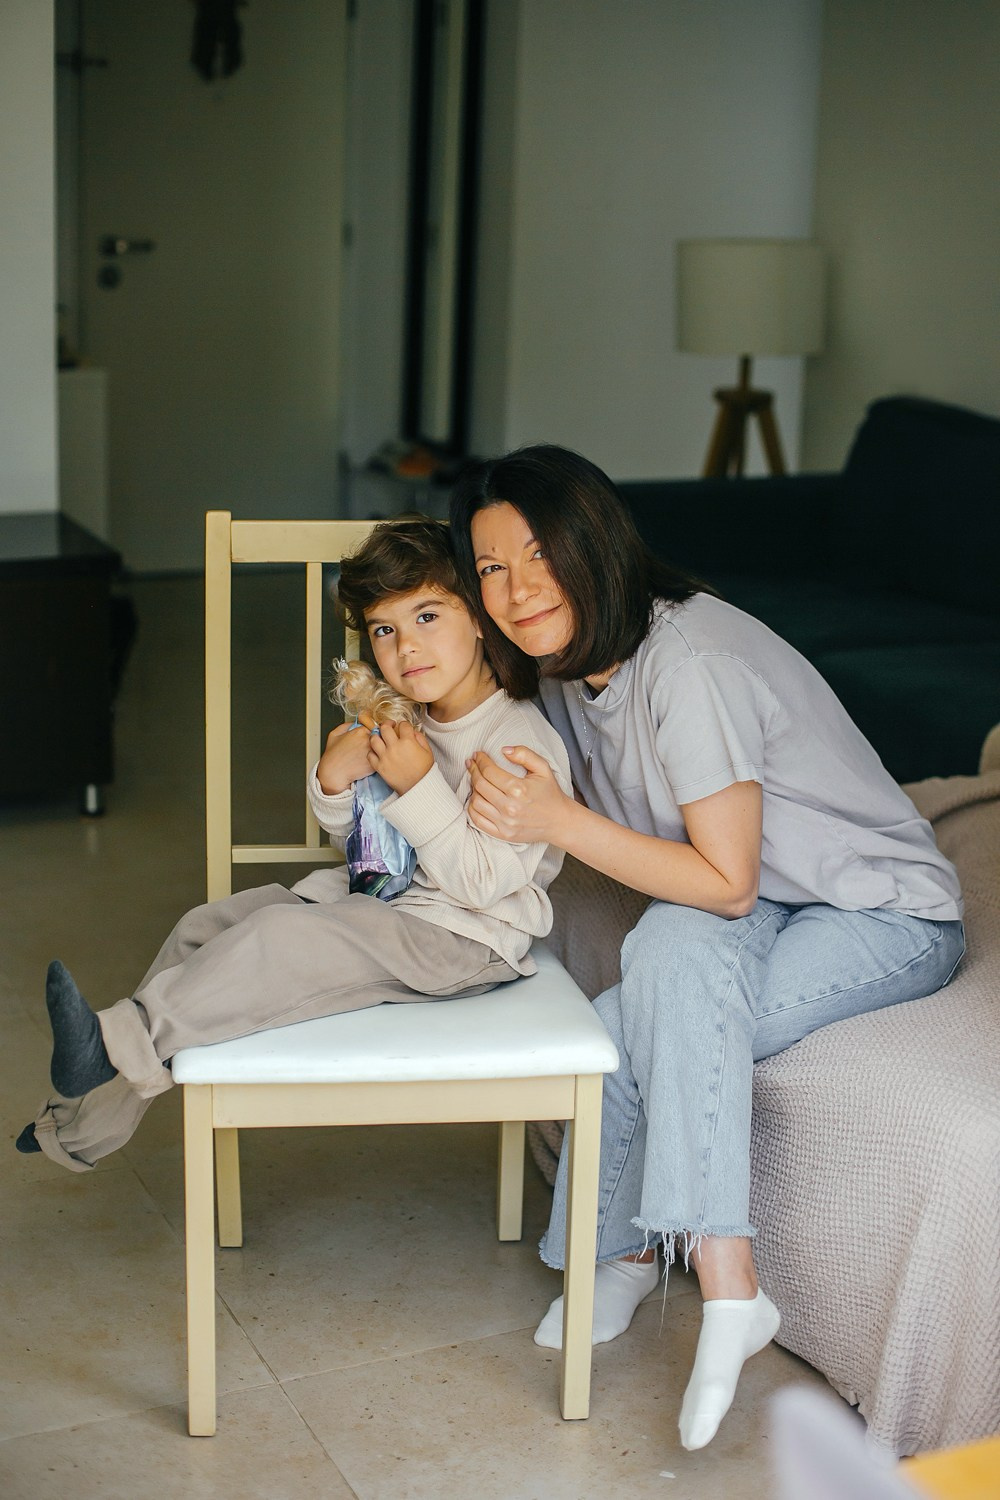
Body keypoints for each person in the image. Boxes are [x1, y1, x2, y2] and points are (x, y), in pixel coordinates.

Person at [449, 446, 965, 1452]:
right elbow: (714, 891)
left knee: (625, 1022)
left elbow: (725, 877)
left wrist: (554, 818)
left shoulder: (689, 661)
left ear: (589, 544)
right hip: (752, 899)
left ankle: (624, 1262)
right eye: (489, 569)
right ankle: (721, 1280)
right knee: (668, 958)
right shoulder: (566, 667)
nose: (513, 590)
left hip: (876, 908)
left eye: (534, 555)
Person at [17, 516, 571, 1172]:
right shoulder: (405, 716)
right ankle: (79, 1131)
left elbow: (484, 884)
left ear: (479, 619)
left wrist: (420, 786)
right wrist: (334, 783)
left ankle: (114, 1041)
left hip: (464, 941)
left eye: (427, 617)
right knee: (203, 927)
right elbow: (370, 854)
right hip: (387, 909)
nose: (406, 649)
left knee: (278, 937)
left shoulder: (515, 744)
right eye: (384, 631)